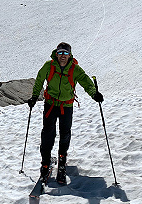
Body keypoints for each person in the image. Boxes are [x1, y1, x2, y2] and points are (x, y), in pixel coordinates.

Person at [27, 42, 103, 185]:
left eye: (65, 53)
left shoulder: (75, 69)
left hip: (66, 106)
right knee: (48, 134)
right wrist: (34, 96)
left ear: (70, 55)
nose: (63, 56)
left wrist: (94, 94)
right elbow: (39, 80)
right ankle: (45, 162)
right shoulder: (48, 66)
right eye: (60, 53)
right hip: (50, 104)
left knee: (65, 133)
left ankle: (62, 162)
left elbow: (86, 82)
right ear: (56, 54)